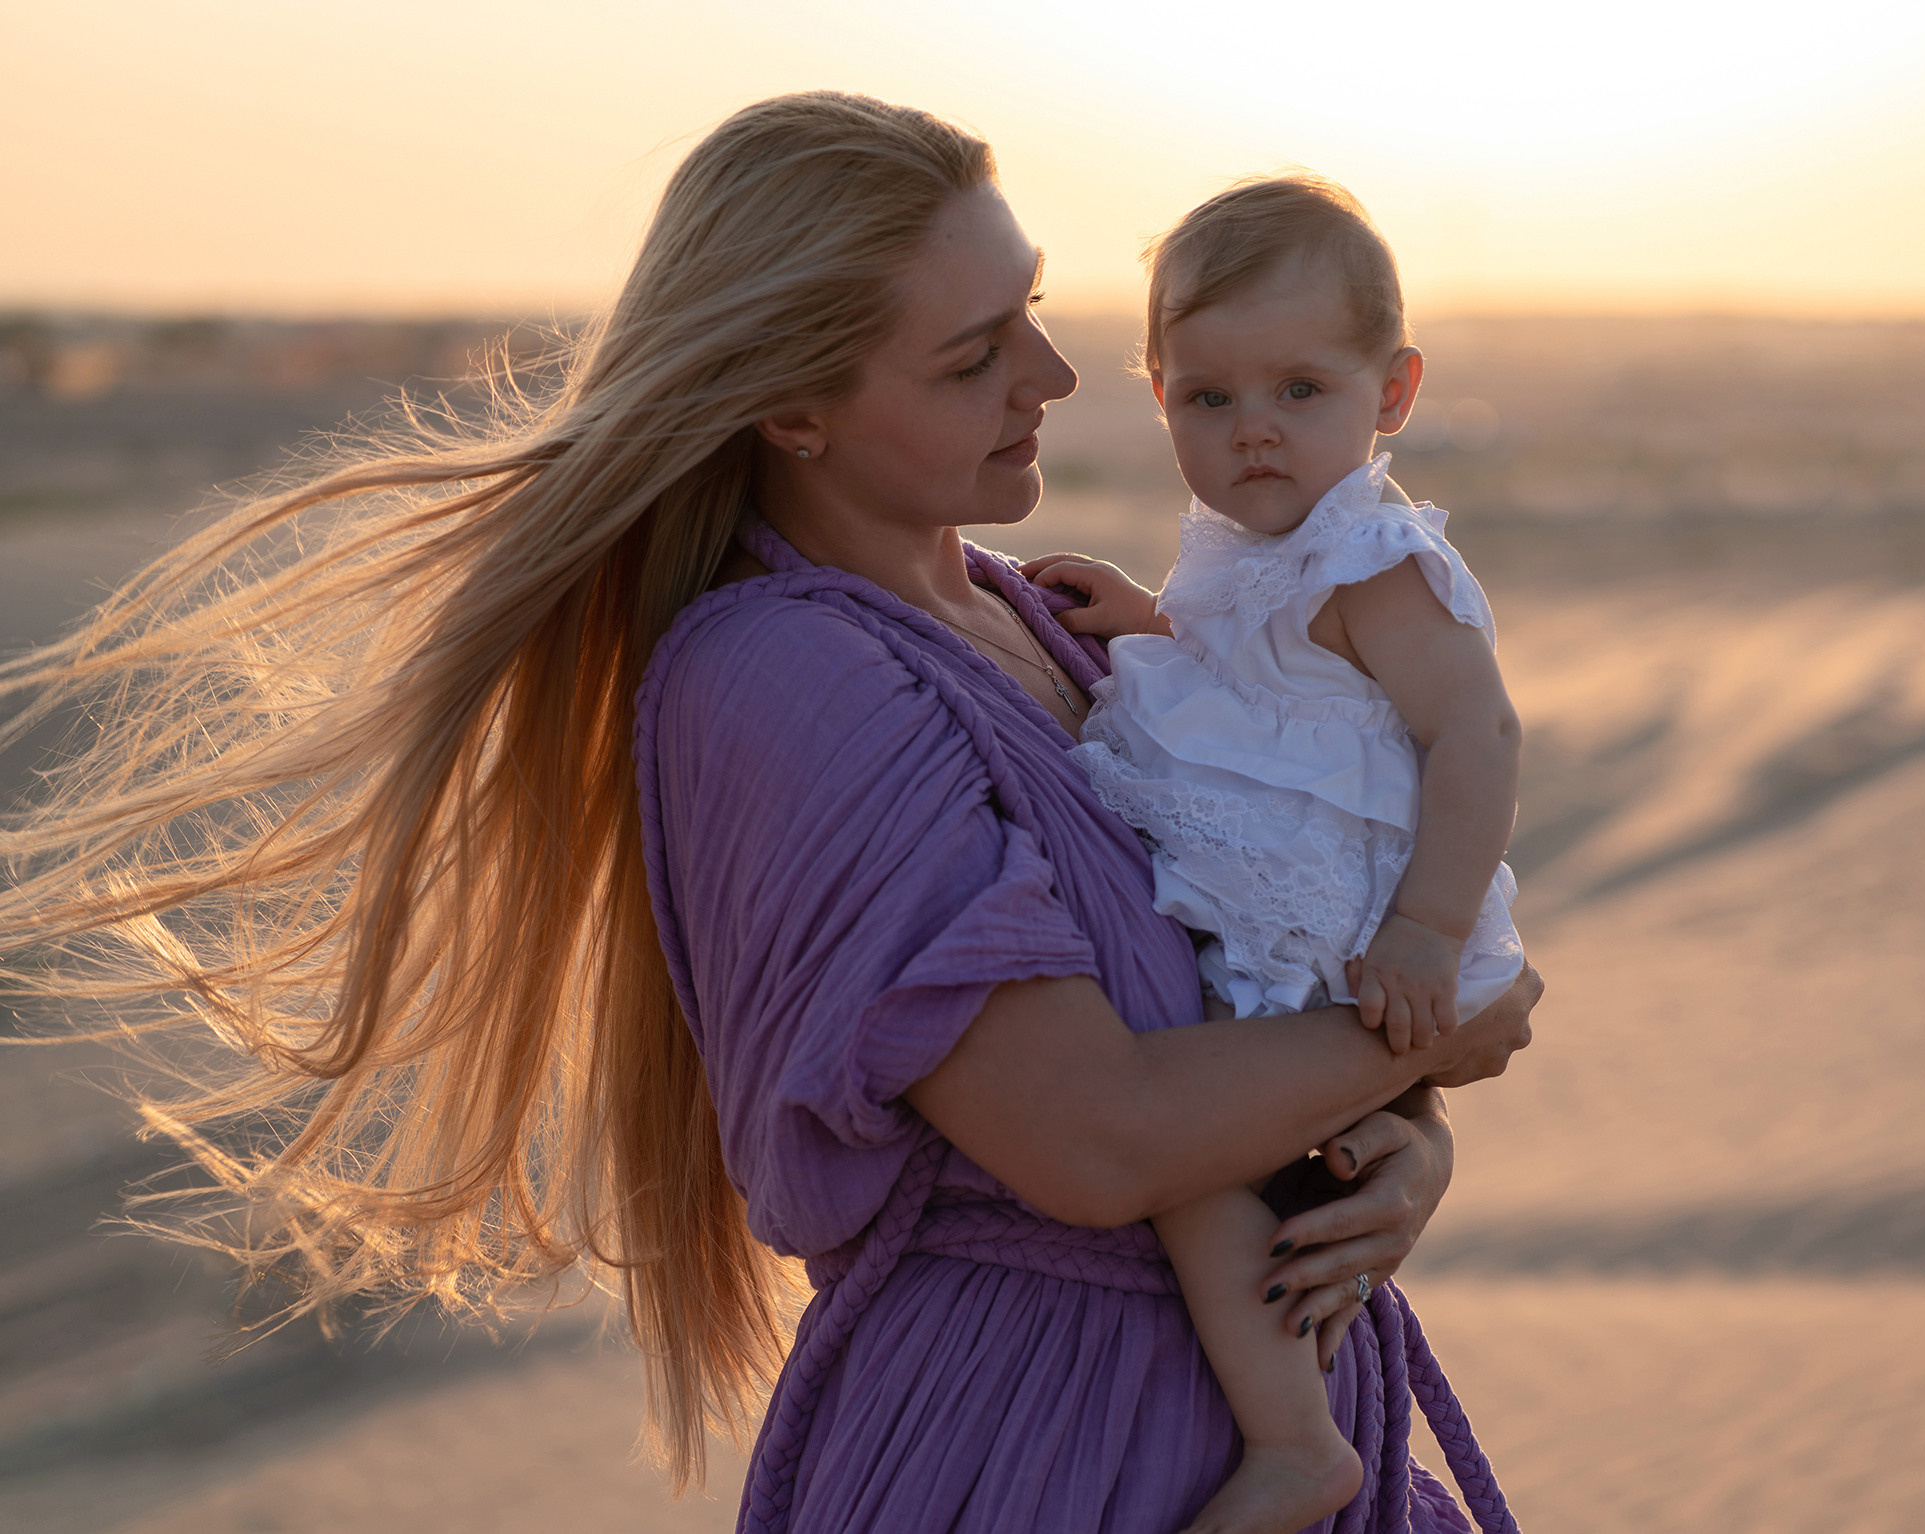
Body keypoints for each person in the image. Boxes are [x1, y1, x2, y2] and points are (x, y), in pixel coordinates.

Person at [0, 93, 1539, 1533]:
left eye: (1037, 311)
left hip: (1259, 1410)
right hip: (1036, 1448)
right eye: (973, 354)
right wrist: (1431, 1031)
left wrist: (1398, 1148)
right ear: (793, 409)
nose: (1056, 381)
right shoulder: (785, 678)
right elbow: (1096, 1135)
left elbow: (1255, 964)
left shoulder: (1054, 616)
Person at [1020, 176, 1525, 1534]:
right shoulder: (1253, 547)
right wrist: (1148, 625)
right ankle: (1312, 1394)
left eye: (1301, 390)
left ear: (1393, 390)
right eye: (1208, 398)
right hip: (1291, 913)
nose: (1253, 434)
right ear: (1159, 390)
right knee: (1290, 1167)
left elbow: (1473, 733)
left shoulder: (1371, 557)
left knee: (1201, 1179)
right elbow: (1261, 693)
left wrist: (1427, 929)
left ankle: (1297, 1444)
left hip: (1346, 922)